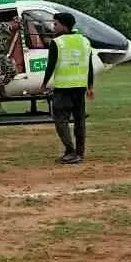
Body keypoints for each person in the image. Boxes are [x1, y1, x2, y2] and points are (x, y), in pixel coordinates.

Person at [41, 12, 94, 164]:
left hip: (63, 88)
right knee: (79, 120)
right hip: (80, 87)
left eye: (55, 24)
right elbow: (89, 66)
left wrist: (44, 83)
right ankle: (80, 152)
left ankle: (70, 151)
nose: (53, 26)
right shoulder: (85, 41)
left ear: (64, 25)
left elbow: (50, 65)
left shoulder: (57, 43)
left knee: (60, 120)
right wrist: (90, 86)